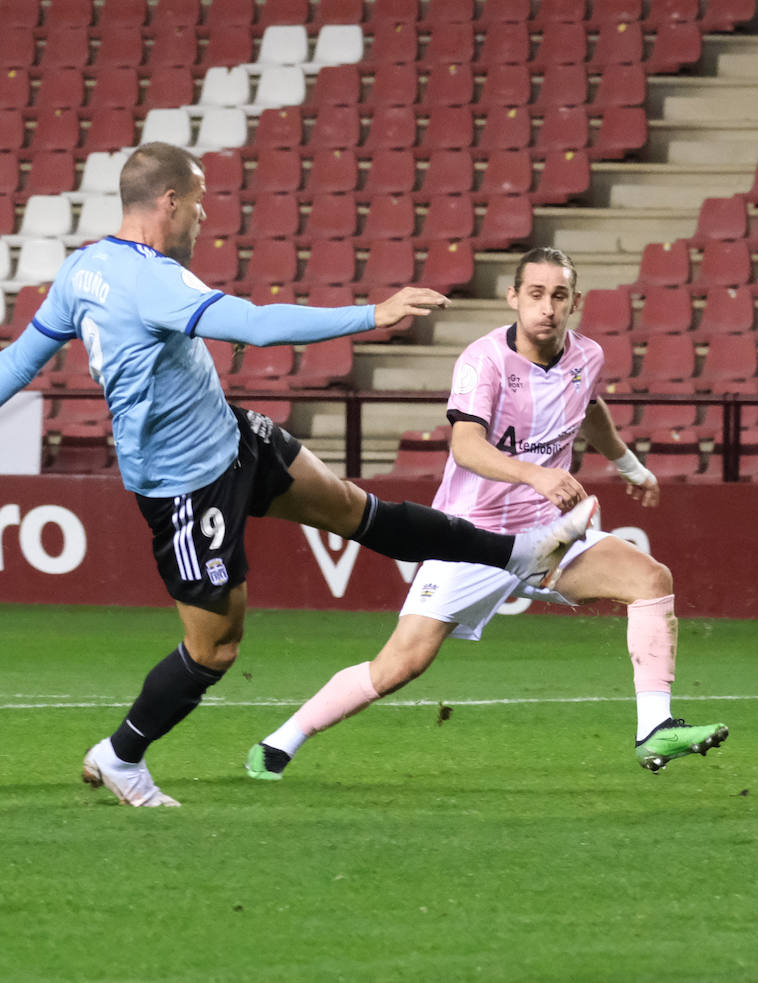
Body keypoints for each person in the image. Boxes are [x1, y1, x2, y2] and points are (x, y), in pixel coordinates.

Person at [0, 143, 597, 808]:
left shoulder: (83, 267)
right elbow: (254, 326)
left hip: (233, 438)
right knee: (216, 648)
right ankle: (121, 755)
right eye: (202, 201)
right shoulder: (153, 282)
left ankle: (519, 554)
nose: (208, 216)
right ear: (170, 203)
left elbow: (22, 356)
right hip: (183, 488)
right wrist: (372, 312)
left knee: (358, 510)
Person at [244, 246, 728, 781]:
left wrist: (630, 465)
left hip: (550, 536)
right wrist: (536, 474)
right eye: (536, 294)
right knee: (399, 665)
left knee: (650, 578)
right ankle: (280, 742)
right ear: (513, 298)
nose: (547, 307)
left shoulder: (586, 357)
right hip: (471, 539)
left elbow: (590, 409)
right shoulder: (485, 360)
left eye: (559, 296)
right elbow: (466, 447)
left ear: (576, 302)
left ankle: (653, 729)